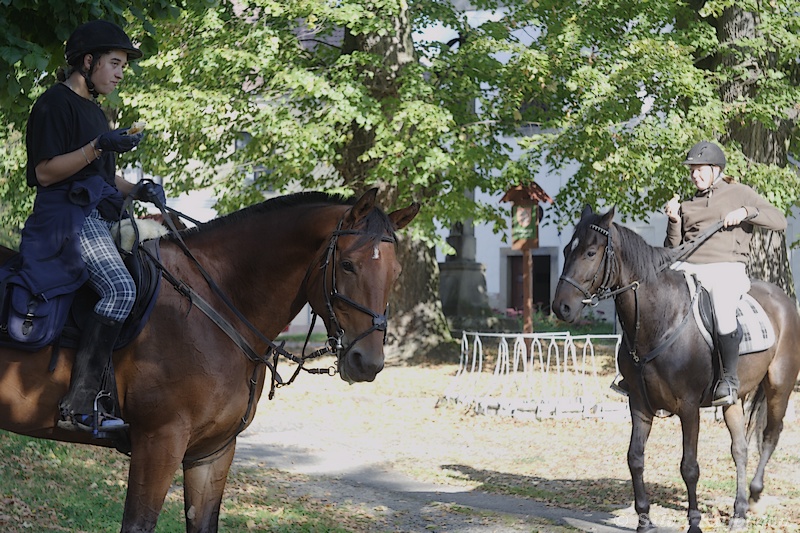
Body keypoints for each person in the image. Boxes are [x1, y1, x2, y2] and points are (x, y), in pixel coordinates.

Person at [20, 20, 165, 434]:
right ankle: (80, 404)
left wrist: (139, 189)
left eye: (122, 66)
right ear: (88, 62)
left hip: (98, 215)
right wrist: (99, 145)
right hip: (64, 220)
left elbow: (103, 178)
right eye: (115, 63)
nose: (120, 73)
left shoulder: (98, 113)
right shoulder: (53, 104)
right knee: (121, 290)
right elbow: (46, 173)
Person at [666, 141, 786, 405]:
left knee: (721, 307)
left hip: (726, 268)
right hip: (688, 268)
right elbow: (673, 249)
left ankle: (729, 381)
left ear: (716, 169)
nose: (694, 175)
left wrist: (746, 212)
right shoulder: (688, 205)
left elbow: (779, 220)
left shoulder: (739, 193)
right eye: (692, 170)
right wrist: (674, 221)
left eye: (700, 170)